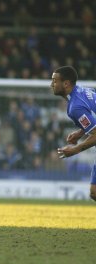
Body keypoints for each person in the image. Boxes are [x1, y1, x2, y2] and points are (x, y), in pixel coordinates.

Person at [51, 65, 96, 200]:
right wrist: (80, 133)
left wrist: (76, 149)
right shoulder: (82, 91)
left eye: (54, 81)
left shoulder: (74, 107)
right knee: (94, 192)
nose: (51, 84)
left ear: (66, 83)